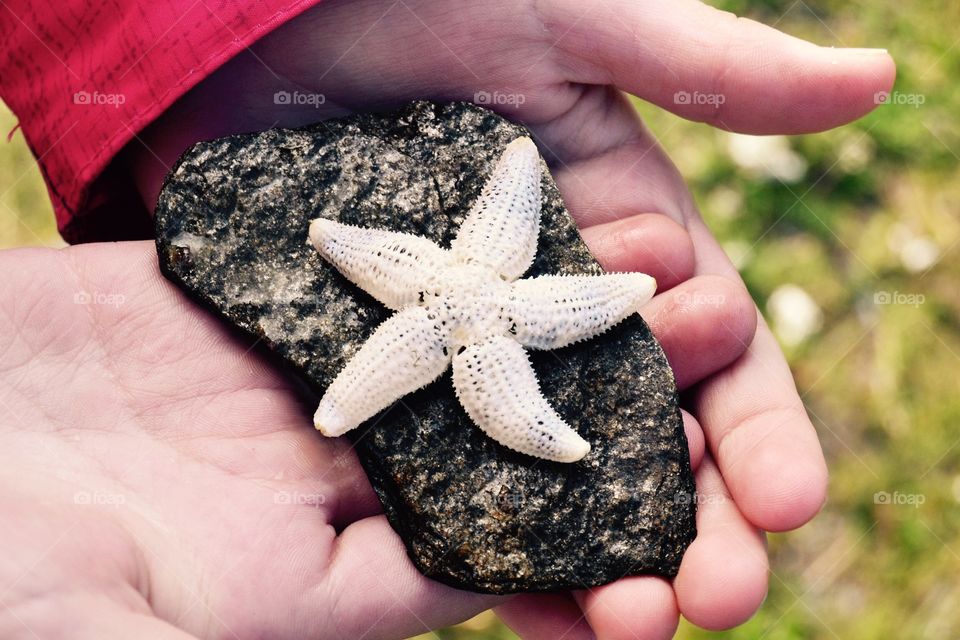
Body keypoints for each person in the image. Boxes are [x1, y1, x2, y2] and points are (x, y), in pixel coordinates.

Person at [0, 0, 894, 637]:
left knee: (590, 345)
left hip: (482, 306)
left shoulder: (483, 284)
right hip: (473, 308)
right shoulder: (441, 293)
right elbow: (356, 319)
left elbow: (574, 291)